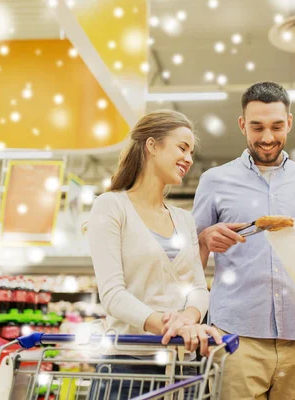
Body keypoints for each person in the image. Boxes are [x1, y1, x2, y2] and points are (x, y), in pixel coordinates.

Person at [193, 82, 295, 400]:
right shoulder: (214, 181)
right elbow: (188, 261)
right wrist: (204, 239)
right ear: (242, 125)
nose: (267, 138)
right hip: (235, 335)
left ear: (289, 123)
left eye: (276, 126)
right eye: (257, 127)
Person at [87, 110, 222, 399]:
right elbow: (112, 294)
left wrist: (187, 318)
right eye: (182, 148)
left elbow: (199, 288)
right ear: (152, 145)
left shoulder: (184, 219)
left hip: (182, 370)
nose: (189, 159)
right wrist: (169, 326)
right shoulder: (111, 207)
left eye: (191, 152)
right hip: (127, 369)